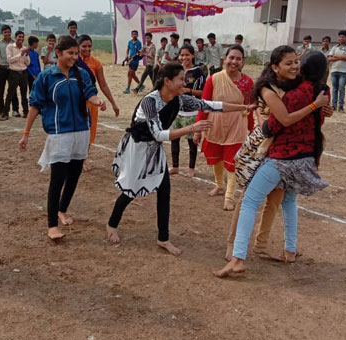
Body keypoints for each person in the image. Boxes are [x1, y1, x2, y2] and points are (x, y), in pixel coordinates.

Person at [106, 62, 252, 256]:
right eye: (181, 79)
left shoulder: (179, 99)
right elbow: (158, 134)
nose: (185, 83)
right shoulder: (149, 102)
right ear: (167, 81)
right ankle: (111, 224)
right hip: (138, 149)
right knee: (130, 190)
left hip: (154, 149)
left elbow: (211, 105)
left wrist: (243, 107)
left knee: (164, 191)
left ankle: (163, 238)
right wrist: (191, 128)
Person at [215, 51, 330, 278]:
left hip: (282, 157)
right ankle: (290, 250)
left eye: (296, 62)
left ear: (303, 68)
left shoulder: (294, 94)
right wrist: (317, 106)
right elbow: (318, 117)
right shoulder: (322, 91)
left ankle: (237, 258)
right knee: (288, 201)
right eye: (290, 63)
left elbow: (276, 125)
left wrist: (264, 128)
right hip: (305, 157)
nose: (294, 66)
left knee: (249, 201)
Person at [19, 36, 105, 240]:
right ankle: (52, 226)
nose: (74, 57)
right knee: (57, 179)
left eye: (76, 54)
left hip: (81, 132)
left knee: (74, 176)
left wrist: (97, 101)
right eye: (70, 53)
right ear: (58, 53)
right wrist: (26, 134)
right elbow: (35, 106)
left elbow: (90, 93)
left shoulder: (81, 74)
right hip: (59, 135)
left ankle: (62, 209)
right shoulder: (46, 77)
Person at [194, 45, 254, 211]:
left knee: (233, 161)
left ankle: (229, 196)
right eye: (231, 58)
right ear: (225, 59)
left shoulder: (248, 82)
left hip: (237, 126)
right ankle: (219, 185)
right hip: (216, 124)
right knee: (217, 157)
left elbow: (249, 107)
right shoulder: (213, 79)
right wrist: (198, 129)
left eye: (238, 59)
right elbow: (204, 105)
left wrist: (251, 128)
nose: (234, 61)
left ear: (243, 62)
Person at [77, 34, 120, 167]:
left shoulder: (96, 63)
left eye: (89, 46)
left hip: (92, 101)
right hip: (76, 101)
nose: (87, 49)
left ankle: (84, 158)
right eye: (84, 46)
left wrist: (113, 103)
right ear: (78, 47)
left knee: (90, 129)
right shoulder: (72, 61)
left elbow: (103, 85)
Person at [170, 44, 206, 178]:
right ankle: (175, 166)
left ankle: (191, 168)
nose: (184, 57)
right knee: (174, 140)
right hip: (177, 112)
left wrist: (189, 90)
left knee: (192, 142)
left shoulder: (198, 72)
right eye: (182, 55)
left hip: (191, 113)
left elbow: (203, 92)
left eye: (187, 55)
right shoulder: (177, 70)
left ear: (193, 55)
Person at [4, 30, 30, 120]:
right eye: (19, 37)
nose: (21, 39)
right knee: (10, 94)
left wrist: (26, 55)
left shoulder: (25, 48)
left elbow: (28, 63)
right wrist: (20, 54)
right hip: (13, 72)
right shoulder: (10, 47)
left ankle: (26, 112)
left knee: (24, 94)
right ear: (15, 37)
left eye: (22, 37)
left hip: (23, 72)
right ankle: (5, 113)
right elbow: (9, 60)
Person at [0, 25, 19, 119]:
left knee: (13, 90)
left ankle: (15, 110)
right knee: (0, 90)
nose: (7, 34)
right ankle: (1, 110)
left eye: (8, 32)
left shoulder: (15, 43)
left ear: (11, 32)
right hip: (2, 68)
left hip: (12, 68)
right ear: (2, 33)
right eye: (5, 32)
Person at [327, 30, 346, 112]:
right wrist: (341, 57)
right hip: (334, 70)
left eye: (343, 37)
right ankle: (334, 105)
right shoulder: (335, 47)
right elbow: (329, 58)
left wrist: (336, 56)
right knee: (334, 88)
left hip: (343, 71)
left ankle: (341, 106)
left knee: (341, 88)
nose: (341, 38)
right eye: (340, 37)